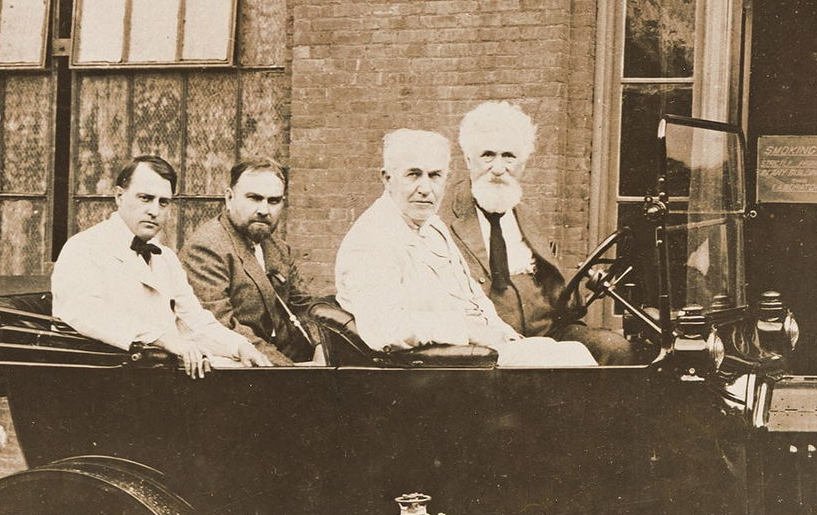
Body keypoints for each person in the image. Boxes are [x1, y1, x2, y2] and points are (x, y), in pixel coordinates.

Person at [334, 129, 594, 367]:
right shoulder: (372, 240)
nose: (425, 189)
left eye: (435, 176)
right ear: (387, 179)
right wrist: (468, 330)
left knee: (574, 353)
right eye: (413, 174)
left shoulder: (432, 227)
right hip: (436, 367)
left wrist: (505, 335)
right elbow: (384, 330)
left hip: (473, 355)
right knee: (572, 364)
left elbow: (473, 298)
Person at [51, 154, 275, 379]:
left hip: (154, 373)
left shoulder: (165, 258)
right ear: (119, 196)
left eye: (163, 202)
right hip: (99, 374)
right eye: (145, 198)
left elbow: (194, 319)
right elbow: (85, 311)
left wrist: (240, 346)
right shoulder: (84, 247)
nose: (154, 211)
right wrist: (165, 339)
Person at [444, 101, 633, 365]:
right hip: (487, 344)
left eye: (509, 156)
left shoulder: (529, 218)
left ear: (522, 163)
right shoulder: (442, 220)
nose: (498, 168)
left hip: (546, 334)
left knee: (613, 347)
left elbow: (557, 293)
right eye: (488, 155)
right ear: (468, 160)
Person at [180, 159, 317, 365]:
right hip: (242, 365)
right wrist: (290, 370)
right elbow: (221, 325)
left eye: (273, 201)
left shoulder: (278, 247)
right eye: (254, 198)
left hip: (283, 359)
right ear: (229, 197)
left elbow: (303, 305)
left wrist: (321, 345)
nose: (264, 210)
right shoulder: (206, 247)